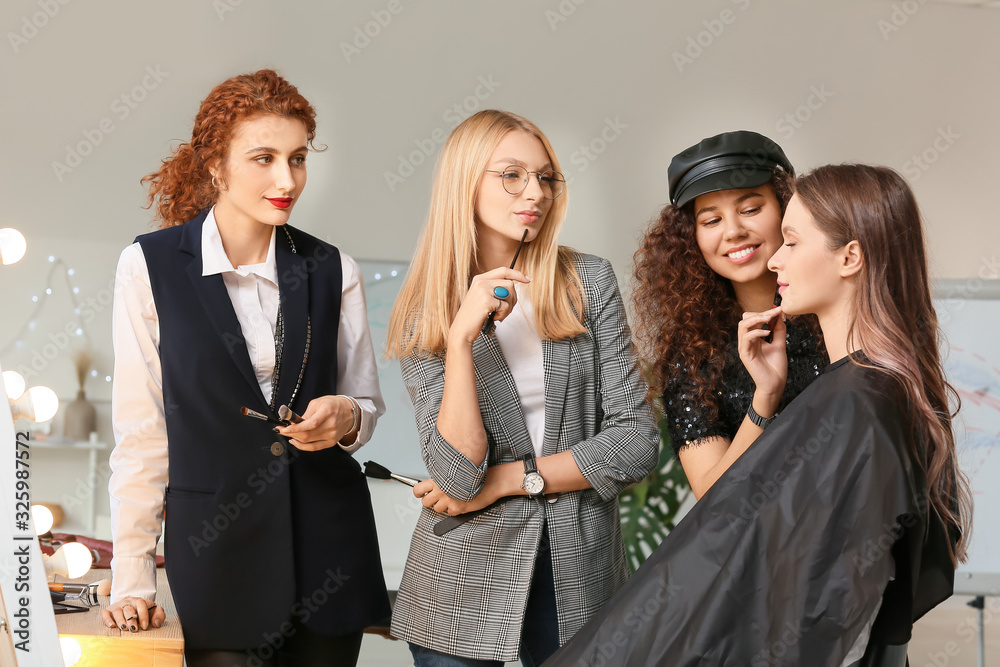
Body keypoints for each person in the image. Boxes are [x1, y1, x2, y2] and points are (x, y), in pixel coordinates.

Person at [545, 164, 972, 667]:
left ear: (850, 256)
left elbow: (825, 602)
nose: (776, 261)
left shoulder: (858, 400)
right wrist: (764, 397)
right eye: (712, 219)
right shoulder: (872, 389)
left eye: (789, 241)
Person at [105, 69, 390, 667]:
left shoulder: (335, 268)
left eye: (298, 158)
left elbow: (363, 407)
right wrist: (132, 577)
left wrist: (345, 416)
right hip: (218, 558)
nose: (287, 180)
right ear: (216, 164)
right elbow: (142, 432)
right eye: (263, 158)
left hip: (329, 554)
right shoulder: (148, 267)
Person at [385, 109, 660, 666]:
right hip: (459, 583)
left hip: (580, 575)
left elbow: (637, 442)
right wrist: (461, 339)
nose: (534, 191)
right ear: (465, 183)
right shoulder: (425, 311)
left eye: (545, 176)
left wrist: (513, 480)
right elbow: (459, 476)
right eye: (511, 175)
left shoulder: (588, 281)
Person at [633, 131, 828, 499]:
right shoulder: (690, 353)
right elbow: (712, 499)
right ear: (691, 239)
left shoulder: (835, 309)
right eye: (711, 220)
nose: (735, 231)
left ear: (788, 210)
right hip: (764, 549)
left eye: (751, 209)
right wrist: (765, 398)